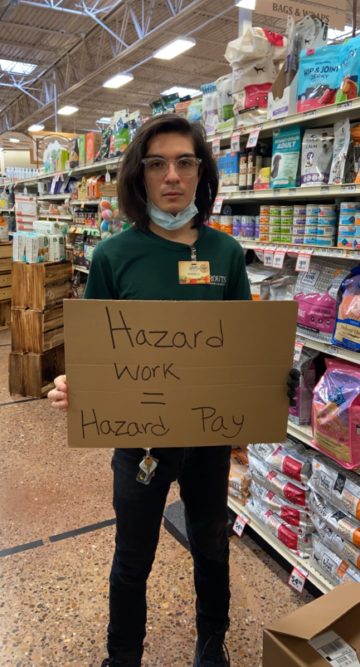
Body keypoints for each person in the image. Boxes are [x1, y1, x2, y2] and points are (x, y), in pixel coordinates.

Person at [49, 114, 298, 667]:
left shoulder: (225, 255)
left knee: (211, 547)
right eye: (157, 163)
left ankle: (212, 645)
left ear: (202, 173)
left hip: (208, 437)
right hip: (139, 442)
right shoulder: (114, 256)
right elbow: (99, 354)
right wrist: (81, 386)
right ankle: (123, 655)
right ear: (139, 175)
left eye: (185, 162)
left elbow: (244, 347)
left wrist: (276, 377)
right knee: (132, 557)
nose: (172, 176)